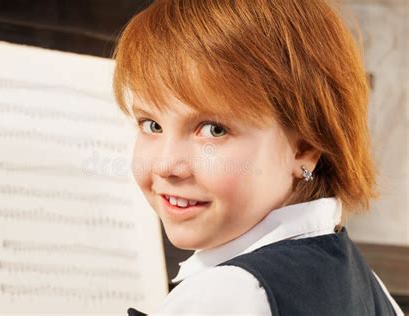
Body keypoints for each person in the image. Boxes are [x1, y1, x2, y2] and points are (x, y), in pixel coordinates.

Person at [112, 0, 404, 315]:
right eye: (151, 125)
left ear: (304, 149)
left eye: (214, 130)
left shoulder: (227, 296)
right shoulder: (367, 283)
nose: (166, 165)